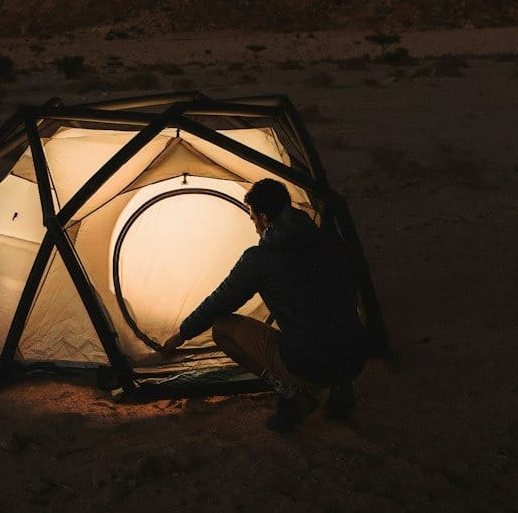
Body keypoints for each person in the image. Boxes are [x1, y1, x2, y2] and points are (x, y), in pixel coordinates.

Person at [158, 179, 368, 431]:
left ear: (264, 217)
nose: (255, 227)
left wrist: (182, 334)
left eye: (253, 219)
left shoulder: (261, 259)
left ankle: (292, 393)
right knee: (327, 316)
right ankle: (342, 390)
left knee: (222, 328)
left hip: (308, 363)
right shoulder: (328, 241)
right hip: (355, 356)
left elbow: (219, 302)